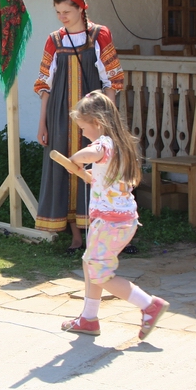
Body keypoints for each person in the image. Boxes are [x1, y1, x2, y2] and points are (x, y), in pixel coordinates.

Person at [60, 91, 169, 339]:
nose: (83, 133)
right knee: (90, 263)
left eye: (83, 128)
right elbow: (107, 173)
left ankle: (149, 305)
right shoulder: (120, 144)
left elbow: (88, 154)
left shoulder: (103, 144)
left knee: (99, 274)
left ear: (97, 122)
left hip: (110, 221)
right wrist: (92, 175)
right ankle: (88, 318)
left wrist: (76, 159)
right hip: (122, 219)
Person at [35, 0, 124, 252]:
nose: (61, 17)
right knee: (67, 168)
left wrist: (110, 119)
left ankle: (103, 233)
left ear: (81, 9)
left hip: (94, 117)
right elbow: (45, 84)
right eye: (58, 12)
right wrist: (43, 123)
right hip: (60, 116)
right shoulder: (54, 40)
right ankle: (76, 235)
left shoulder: (99, 35)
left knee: (101, 169)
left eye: (66, 11)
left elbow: (112, 79)